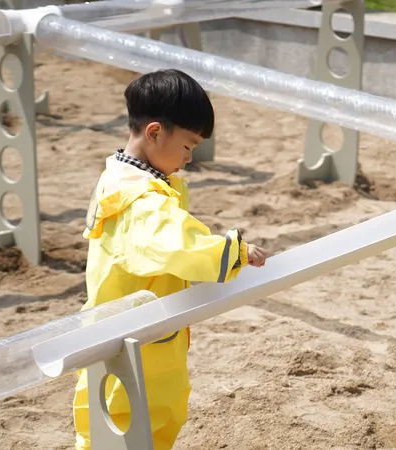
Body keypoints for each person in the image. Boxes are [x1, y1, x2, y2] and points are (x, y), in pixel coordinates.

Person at [72, 68, 268, 450]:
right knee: (124, 423)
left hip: (144, 326)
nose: (189, 159)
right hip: (132, 336)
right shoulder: (138, 199)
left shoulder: (127, 179)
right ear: (155, 132)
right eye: (188, 146)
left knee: (151, 417)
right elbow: (175, 244)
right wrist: (233, 251)